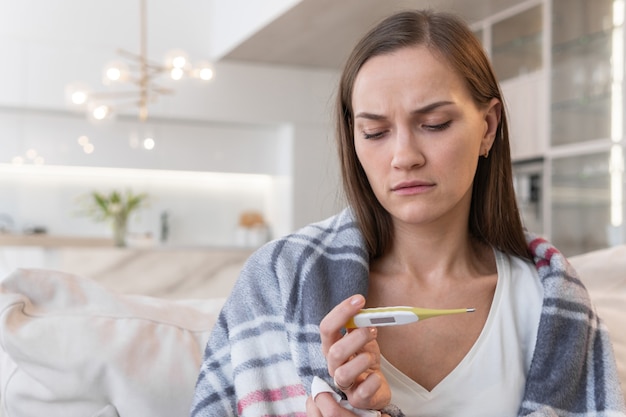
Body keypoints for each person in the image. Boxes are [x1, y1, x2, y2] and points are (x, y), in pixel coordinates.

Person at [190, 9, 626, 417]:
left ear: (488, 128)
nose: (404, 157)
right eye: (375, 132)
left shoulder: (546, 302)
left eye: (434, 124)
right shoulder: (277, 280)